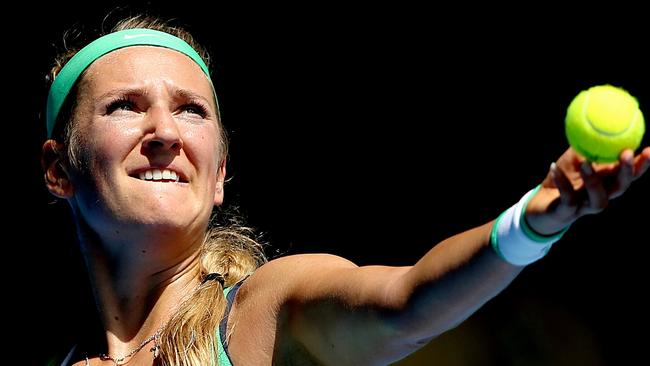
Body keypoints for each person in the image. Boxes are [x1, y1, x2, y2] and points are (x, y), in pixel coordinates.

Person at [41, 15, 649, 366]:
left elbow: (405, 304)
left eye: (192, 111)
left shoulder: (263, 314)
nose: (166, 133)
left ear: (220, 171)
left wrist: (533, 221)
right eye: (125, 106)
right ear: (58, 170)